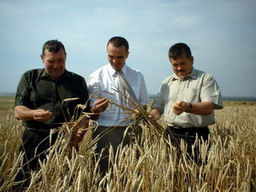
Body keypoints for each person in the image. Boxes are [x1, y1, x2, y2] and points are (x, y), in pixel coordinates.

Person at [14, 40, 108, 190]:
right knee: (25, 183)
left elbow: (84, 115)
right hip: (34, 139)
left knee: (64, 183)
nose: (56, 65)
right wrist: (33, 114)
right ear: (42, 58)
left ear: (66, 57)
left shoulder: (78, 81)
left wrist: (78, 137)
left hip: (66, 140)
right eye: (51, 61)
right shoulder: (30, 77)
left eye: (60, 60)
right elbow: (18, 111)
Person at [149, 43, 223, 161]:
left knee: (196, 175)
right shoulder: (167, 82)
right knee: (169, 174)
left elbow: (209, 106)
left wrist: (188, 107)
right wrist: (150, 116)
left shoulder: (205, 78)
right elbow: (158, 108)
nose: (179, 68)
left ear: (191, 60)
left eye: (183, 63)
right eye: (175, 65)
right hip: (170, 134)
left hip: (196, 136)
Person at [88, 36, 149, 174]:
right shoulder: (96, 77)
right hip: (105, 131)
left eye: (120, 57)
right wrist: (95, 109)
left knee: (132, 174)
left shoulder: (137, 76)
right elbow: (91, 112)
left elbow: (144, 105)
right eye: (111, 56)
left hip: (132, 131)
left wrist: (140, 113)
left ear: (127, 54)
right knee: (104, 174)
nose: (115, 61)